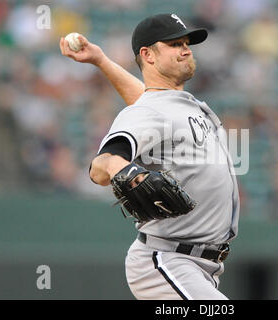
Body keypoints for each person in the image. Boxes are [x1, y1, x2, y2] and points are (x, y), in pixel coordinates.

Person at [60, 13, 239, 300]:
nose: (186, 49)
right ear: (148, 55)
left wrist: (102, 61)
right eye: (174, 43)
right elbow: (101, 165)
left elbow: (148, 100)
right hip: (167, 259)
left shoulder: (171, 104)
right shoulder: (150, 111)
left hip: (200, 265)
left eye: (187, 43)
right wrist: (132, 173)